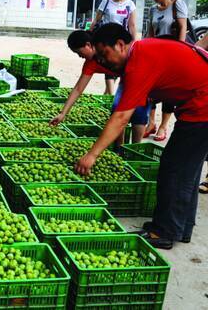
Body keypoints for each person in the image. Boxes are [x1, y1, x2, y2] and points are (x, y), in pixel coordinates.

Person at [74, 23, 208, 250]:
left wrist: (92, 155)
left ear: (120, 45)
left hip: (202, 108)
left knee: (174, 169)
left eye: (105, 54)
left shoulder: (140, 61)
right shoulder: (141, 52)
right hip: (198, 105)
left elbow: (121, 118)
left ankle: (164, 232)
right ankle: (180, 227)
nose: (104, 61)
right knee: (187, 172)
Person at [50, 30, 149, 143]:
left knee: (139, 113)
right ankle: (119, 148)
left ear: (88, 44)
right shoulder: (91, 63)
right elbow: (78, 88)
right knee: (117, 110)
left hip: (140, 76)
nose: (80, 56)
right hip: (126, 79)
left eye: (79, 52)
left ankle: (136, 146)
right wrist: (63, 113)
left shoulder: (108, 51)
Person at [143, 0, 189, 142]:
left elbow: (183, 27)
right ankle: (151, 123)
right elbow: (150, 33)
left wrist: (181, 52)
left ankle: (163, 127)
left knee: (169, 92)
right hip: (157, 54)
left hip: (174, 53)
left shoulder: (178, 5)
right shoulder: (153, 10)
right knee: (152, 89)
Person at [90, 0, 138, 96]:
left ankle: (106, 98)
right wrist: (90, 36)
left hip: (121, 41)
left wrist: (134, 43)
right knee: (110, 67)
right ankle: (111, 98)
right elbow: (96, 20)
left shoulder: (130, 4)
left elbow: (132, 25)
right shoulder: (106, 2)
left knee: (117, 72)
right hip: (107, 40)